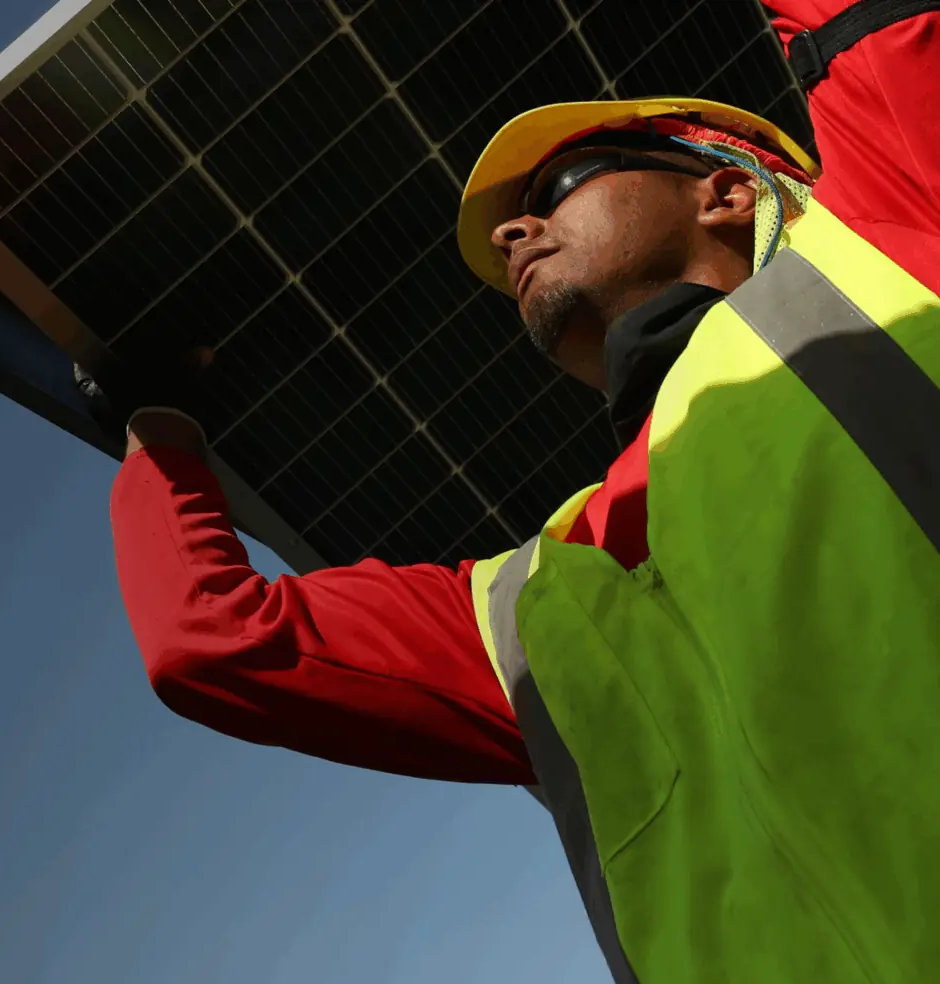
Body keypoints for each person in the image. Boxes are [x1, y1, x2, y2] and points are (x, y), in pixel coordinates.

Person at [102, 0, 940, 980]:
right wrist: (159, 436)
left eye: (560, 187)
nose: (511, 232)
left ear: (722, 191)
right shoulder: (528, 600)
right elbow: (213, 641)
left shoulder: (889, 237)